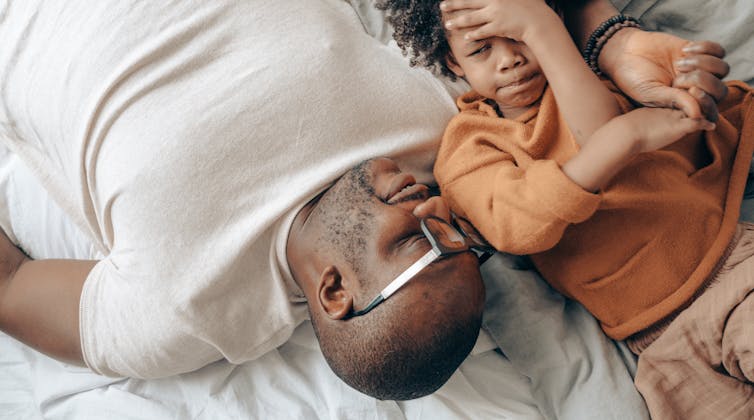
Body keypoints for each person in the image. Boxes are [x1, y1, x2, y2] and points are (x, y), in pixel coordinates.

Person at [0, 0, 733, 402]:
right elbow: (499, 31)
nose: (433, 209)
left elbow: (10, 285)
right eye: (457, 236)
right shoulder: (436, 135)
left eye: (417, 244)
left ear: (336, 292)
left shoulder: (181, 307)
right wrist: (611, 41)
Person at [379, 0, 754, 415]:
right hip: (658, 345)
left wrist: (541, 26)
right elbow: (516, 224)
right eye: (481, 49)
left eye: (522, 36)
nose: (510, 60)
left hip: (732, 275)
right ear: (453, 60)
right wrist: (626, 137)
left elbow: (597, 131)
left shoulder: (589, 82)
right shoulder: (471, 145)